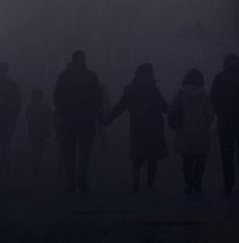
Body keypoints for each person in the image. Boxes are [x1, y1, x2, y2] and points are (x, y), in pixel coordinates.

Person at [103, 63, 168, 193]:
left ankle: (136, 180)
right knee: (152, 157)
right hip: (154, 126)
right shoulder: (153, 88)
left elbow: (120, 107)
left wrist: (108, 119)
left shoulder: (131, 89)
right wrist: (176, 113)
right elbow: (163, 105)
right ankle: (150, 183)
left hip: (138, 126)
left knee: (138, 156)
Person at [53, 51, 102, 193]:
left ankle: (72, 182)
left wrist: (65, 110)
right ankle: (80, 181)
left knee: (71, 154)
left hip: (70, 121)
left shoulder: (64, 77)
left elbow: (57, 98)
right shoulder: (90, 76)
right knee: (83, 154)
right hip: (83, 121)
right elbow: (97, 97)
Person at [210, 54, 239, 194]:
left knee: (227, 153)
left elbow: (213, 99)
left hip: (226, 121)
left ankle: (229, 182)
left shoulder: (219, 78)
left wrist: (220, 112)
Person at [169, 68, 214, 194]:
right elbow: (210, 113)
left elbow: (173, 110)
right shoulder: (204, 95)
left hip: (184, 131)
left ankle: (188, 183)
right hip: (201, 131)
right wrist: (205, 124)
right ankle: (198, 182)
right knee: (200, 158)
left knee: (187, 159)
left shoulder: (180, 94)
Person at [25, 88, 52, 175]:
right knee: (39, 148)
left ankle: (35, 165)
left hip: (33, 129)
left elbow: (27, 117)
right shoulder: (45, 105)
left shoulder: (30, 106)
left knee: (34, 147)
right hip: (42, 129)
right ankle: (37, 164)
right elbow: (48, 116)